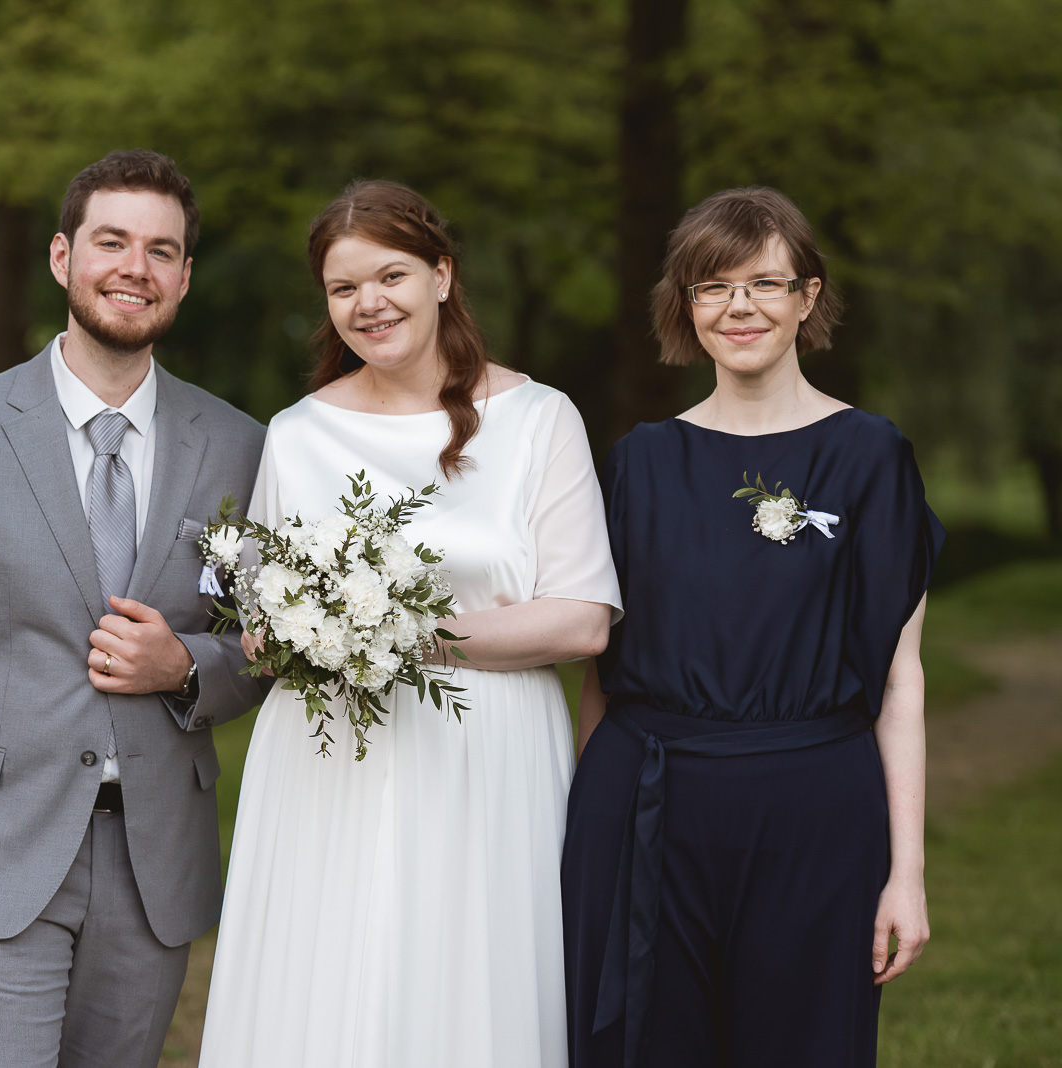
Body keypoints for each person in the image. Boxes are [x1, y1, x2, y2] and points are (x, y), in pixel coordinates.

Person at [0, 149, 268, 1068]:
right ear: (61, 256)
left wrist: (187, 667)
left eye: (161, 250)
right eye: (111, 242)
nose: (135, 268)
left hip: (154, 860)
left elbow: (266, 646)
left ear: (185, 276)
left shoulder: (241, 446)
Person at [199, 180, 622, 1068]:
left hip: (488, 753)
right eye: (343, 288)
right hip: (326, 761)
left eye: (390, 276)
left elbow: (584, 621)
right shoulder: (297, 432)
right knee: (327, 986)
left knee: (469, 984)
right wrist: (280, 634)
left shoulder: (539, 418)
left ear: (442, 276)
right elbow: (262, 625)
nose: (369, 303)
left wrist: (404, 635)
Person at [561, 186, 942, 1068]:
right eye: (713, 286)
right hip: (647, 802)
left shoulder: (871, 457)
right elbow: (599, 675)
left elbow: (900, 679)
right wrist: (589, 832)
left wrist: (907, 873)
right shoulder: (638, 463)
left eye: (765, 283)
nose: (740, 307)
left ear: (808, 297)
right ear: (686, 305)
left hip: (816, 808)